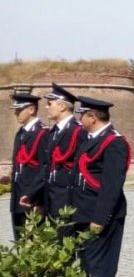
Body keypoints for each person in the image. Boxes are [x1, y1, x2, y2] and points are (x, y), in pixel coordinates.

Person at [70, 96, 132, 277]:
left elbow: (112, 185)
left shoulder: (114, 142)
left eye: (82, 115)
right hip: (83, 212)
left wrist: (100, 218)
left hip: (99, 215)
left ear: (92, 117)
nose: (79, 119)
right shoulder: (90, 139)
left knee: (100, 265)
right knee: (86, 262)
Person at [43, 83, 83, 232]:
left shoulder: (77, 130)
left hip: (68, 199)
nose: (46, 107)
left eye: (49, 103)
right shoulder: (54, 131)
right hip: (52, 198)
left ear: (62, 106)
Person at [9, 92, 47, 239]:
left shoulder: (42, 133)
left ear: (31, 110)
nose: (16, 113)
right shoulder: (21, 133)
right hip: (18, 195)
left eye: (19, 109)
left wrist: (39, 201)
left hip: (32, 197)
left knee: (34, 241)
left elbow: (44, 169)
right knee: (20, 241)